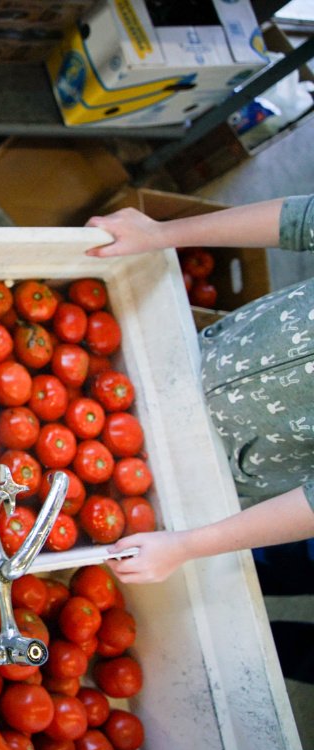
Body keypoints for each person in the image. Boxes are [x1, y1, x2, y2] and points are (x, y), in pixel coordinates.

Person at [87, 195, 313, 682]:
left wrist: (188, 545)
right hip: (194, 353)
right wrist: (164, 235)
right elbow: (300, 220)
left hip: (218, 463)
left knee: (235, 574)